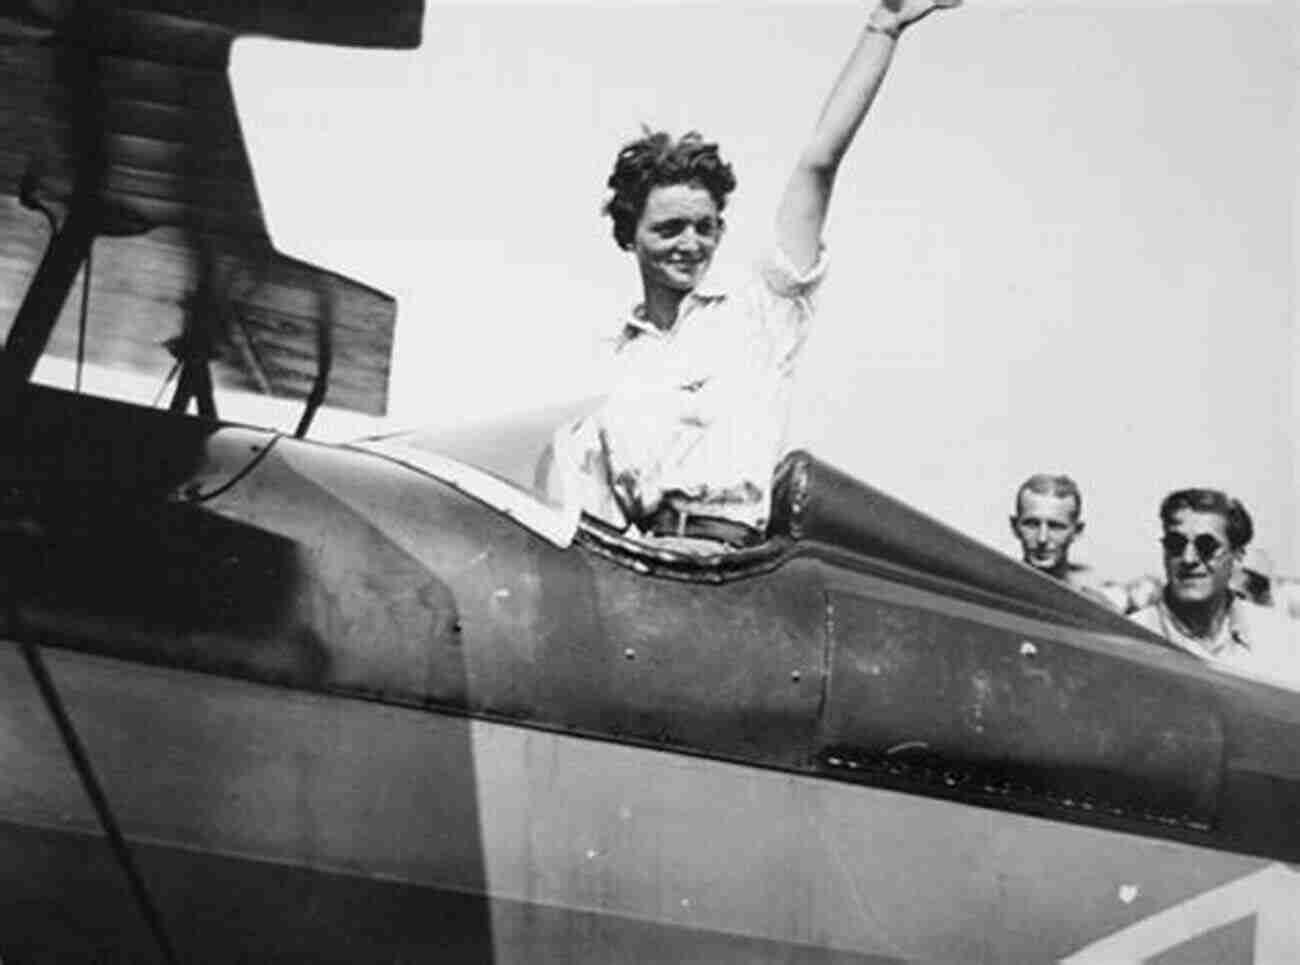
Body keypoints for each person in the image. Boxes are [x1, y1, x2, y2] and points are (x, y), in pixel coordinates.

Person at [546, 0, 960, 551]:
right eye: (669, 229)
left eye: (705, 227)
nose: (690, 244)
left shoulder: (759, 310)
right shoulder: (611, 358)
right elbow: (589, 505)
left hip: (731, 567)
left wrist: (882, 27)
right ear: (630, 235)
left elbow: (819, 161)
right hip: (644, 567)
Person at [1130, 489, 1299, 687]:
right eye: (1176, 544)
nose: (1189, 559)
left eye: (1206, 546)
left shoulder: (1284, 640)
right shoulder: (1128, 639)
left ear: (1237, 557)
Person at [1009, 474, 1126, 609]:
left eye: (1055, 526)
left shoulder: (1098, 604)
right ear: (1014, 526)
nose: (1042, 538)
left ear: (1077, 531)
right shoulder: (993, 591)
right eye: (1032, 524)